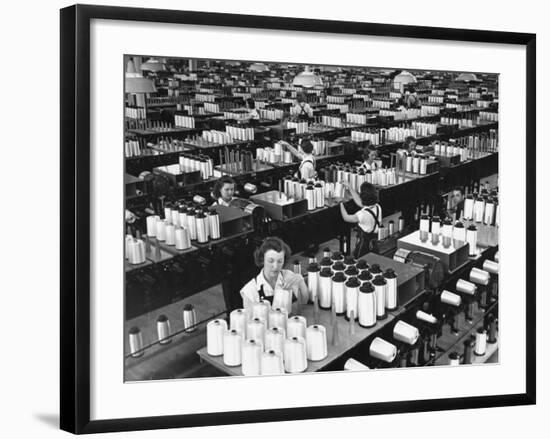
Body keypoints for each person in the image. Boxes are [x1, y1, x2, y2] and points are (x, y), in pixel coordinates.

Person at [240, 237, 309, 315]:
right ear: (262, 260)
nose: (275, 266)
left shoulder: (288, 276)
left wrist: (301, 282)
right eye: (270, 261)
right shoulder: (250, 291)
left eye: (280, 261)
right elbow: (251, 324)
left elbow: (304, 302)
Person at [339, 182, 382, 258]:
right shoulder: (377, 207)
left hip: (363, 246)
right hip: (374, 243)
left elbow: (346, 217)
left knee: (360, 262)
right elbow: (360, 203)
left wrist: (340, 203)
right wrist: (350, 187)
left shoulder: (362, 214)